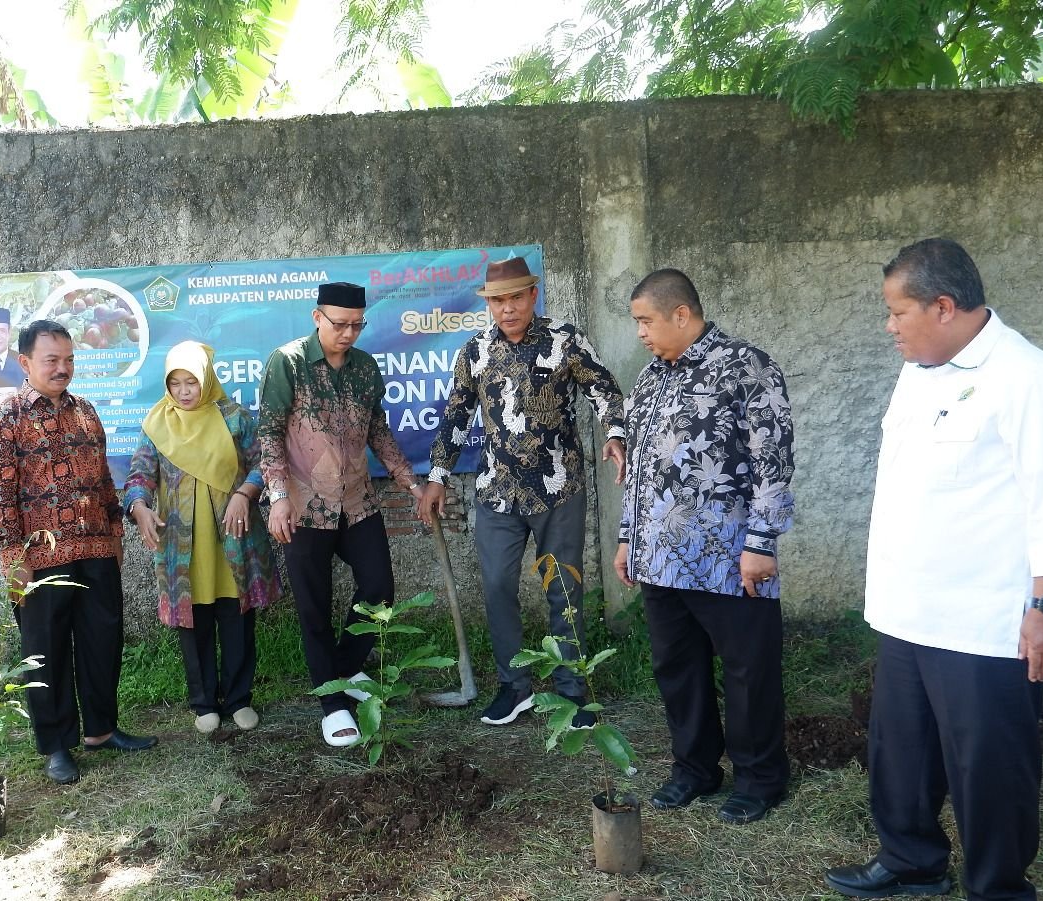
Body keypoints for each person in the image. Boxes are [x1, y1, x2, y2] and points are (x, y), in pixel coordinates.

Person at [824, 239, 1043, 900]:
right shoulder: (921, 369)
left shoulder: (1030, 379)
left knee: (989, 769)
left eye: (898, 311)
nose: (889, 326)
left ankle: (998, 886)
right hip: (907, 610)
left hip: (982, 621)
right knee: (901, 752)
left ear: (943, 306)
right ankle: (911, 859)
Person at [610, 269, 795, 825]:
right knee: (677, 668)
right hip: (661, 560)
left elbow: (774, 460)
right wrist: (627, 539)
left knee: (747, 670)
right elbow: (639, 470)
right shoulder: (648, 380)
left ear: (681, 315)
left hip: (729, 559)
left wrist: (761, 543)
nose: (640, 332)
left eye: (646, 320)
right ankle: (695, 768)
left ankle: (760, 777)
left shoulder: (745, 367)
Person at [418, 256, 626, 728]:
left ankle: (574, 690)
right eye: (498, 300)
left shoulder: (564, 340)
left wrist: (614, 432)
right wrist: (436, 476)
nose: (507, 309)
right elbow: (455, 415)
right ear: (488, 304)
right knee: (496, 587)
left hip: (559, 487)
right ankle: (515, 688)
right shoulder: (475, 351)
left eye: (515, 298)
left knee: (564, 589)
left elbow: (604, 389)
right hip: (497, 492)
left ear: (533, 296)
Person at [0, 318, 157, 785]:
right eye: (51, 360)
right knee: (46, 651)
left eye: (69, 360)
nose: (63, 369)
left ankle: (100, 729)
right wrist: (13, 560)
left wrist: (115, 535)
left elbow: (102, 481)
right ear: (25, 362)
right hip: (40, 559)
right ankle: (57, 744)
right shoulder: (4, 419)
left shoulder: (86, 411)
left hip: (97, 547)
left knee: (103, 641)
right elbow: (0, 496)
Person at [257, 282, 426, 748]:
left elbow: (378, 430)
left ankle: (347, 671)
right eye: (339, 324)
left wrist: (410, 483)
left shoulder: (366, 368)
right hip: (304, 506)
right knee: (314, 607)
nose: (348, 333)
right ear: (317, 317)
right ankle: (333, 706)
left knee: (379, 589)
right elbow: (268, 432)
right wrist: (277, 496)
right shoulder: (287, 363)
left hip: (356, 502)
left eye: (357, 325)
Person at [125, 341, 281, 733]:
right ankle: (203, 702)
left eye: (192, 381)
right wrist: (140, 506)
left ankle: (239, 698)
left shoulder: (234, 418)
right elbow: (140, 475)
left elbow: (263, 462)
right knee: (193, 622)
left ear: (207, 379)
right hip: (182, 543)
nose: (184, 391)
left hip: (232, 534)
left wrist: (246, 494)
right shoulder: (156, 424)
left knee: (236, 615)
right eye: (175, 383)